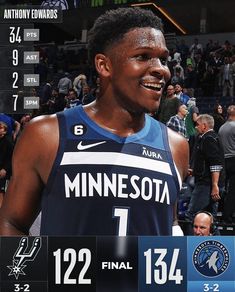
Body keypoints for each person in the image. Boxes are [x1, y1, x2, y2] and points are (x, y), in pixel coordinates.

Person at [0, 7, 188, 236]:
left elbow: (170, 223)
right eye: (143, 56)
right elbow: (12, 224)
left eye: (163, 59)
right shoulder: (46, 134)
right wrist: (38, 272)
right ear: (104, 65)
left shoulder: (176, 146)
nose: (161, 70)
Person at [186, 114, 223, 220]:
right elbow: (207, 163)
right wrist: (195, 171)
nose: (196, 127)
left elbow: (215, 163)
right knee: (210, 219)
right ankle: (216, 237)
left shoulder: (209, 138)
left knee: (191, 216)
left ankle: (191, 237)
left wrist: (215, 185)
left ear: (204, 126)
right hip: (208, 183)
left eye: (197, 124)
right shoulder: (209, 137)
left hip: (206, 184)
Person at [218, 105, 235, 223]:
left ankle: (223, 212)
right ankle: (227, 216)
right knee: (233, 190)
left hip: (224, 161)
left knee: (225, 189)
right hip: (234, 160)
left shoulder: (222, 127)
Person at [0, 122, 14, 207]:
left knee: (2, 192)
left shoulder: (8, 142)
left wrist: (5, 169)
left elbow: (12, 157)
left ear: (5, 131)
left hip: (4, 172)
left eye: (0, 128)